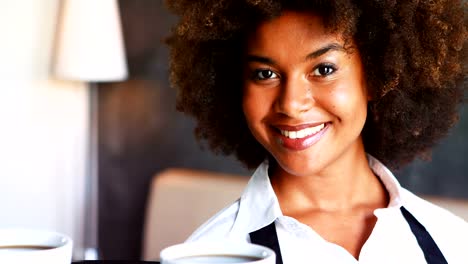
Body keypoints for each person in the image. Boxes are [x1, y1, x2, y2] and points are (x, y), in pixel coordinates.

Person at [165, 0, 467, 263]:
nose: (292, 105)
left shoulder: (452, 241)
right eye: (265, 74)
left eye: (323, 69)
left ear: (377, 77)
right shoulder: (215, 252)